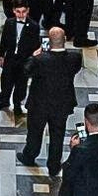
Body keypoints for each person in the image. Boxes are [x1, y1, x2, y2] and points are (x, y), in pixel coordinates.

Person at [17, 27, 83, 176]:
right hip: (61, 104)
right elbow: (75, 69)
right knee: (57, 135)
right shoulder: (75, 58)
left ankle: (29, 156)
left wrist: (34, 56)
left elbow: (26, 71)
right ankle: (53, 165)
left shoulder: (39, 60)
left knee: (34, 132)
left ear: (49, 41)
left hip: (39, 104)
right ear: (64, 40)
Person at [0, 0, 40, 114]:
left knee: (21, 84)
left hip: (24, 60)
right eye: (18, 12)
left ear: (27, 11)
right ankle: (3, 100)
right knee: (6, 81)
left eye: (23, 12)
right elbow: (4, 40)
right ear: (14, 11)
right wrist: (1, 55)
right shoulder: (9, 23)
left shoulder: (34, 26)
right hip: (10, 58)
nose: (21, 14)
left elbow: (35, 44)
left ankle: (17, 104)